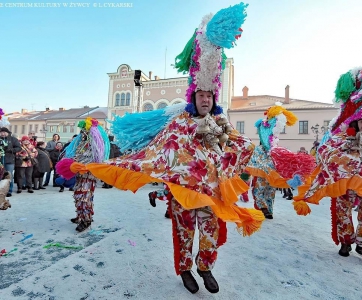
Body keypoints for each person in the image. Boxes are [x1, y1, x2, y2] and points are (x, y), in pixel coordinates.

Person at [57, 4, 264, 295]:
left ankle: (205, 266)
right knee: (184, 231)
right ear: (194, 98)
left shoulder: (221, 122)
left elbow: (237, 146)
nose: (205, 99)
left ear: (213, 98)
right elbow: (158, 152)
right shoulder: (179, 123)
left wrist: (237, 155)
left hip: (211, 191)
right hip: (182, 190)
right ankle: (185, 270)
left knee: (211, 233)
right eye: (200, 95)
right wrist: (104, 165)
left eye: (209, 96)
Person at [292, 63, 362, 264]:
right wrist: (346, 158)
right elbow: (326, 152)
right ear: (356, 122)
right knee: (343, 211)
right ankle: (345, 242)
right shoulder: (342, 138)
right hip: (345, 183)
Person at [246, 104, 309, 219]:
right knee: (270, 192)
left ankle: (263, 208)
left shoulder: (260, 149)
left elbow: (253, 162)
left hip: (262, 173)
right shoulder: (275, 150)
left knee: (259, 191)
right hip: (272, 174)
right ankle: (269, 211)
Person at [56, 118, 110, 232]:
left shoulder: (95, 146)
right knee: (78, 195)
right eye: (83, 131)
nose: (83, 133)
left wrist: (79, 164)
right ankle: (80, 215)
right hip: (79, 175)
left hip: (88, 176)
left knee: (85, 197)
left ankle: (86, 219)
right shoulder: (80, 144)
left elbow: (94, 160)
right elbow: (76, 155)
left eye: (85, 131)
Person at [0, 127, 22, 197]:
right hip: (0, 160)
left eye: (4, 132)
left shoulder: (13, 139)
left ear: (7, 132)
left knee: (9, 175)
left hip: (9, 160)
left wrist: (11, 150)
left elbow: (19, 148)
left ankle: (9, 190)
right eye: (1, 132)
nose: (2, 134)